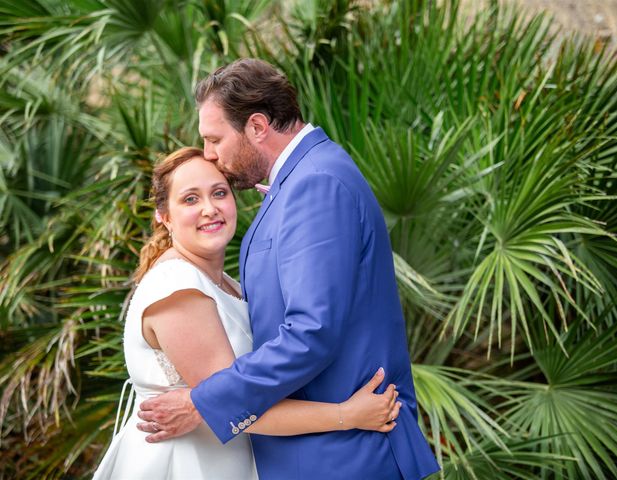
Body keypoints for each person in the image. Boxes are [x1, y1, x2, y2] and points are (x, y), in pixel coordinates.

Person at [137, 59, 441, 479]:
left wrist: (203, 400)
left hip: (344, 458)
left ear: (258, 126)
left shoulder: (315, 184)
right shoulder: (304, 179)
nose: (210, 154)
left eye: (214, 139)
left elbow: (311, 332)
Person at [92, 147, 402, 480]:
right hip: (185, 464)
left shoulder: (227, 284)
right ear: (164, 216)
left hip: (227, 458)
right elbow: (232, 403)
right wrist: (346, 415)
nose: (210, 209)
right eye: (190, 199)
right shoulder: (177, 287)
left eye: (219, 193)